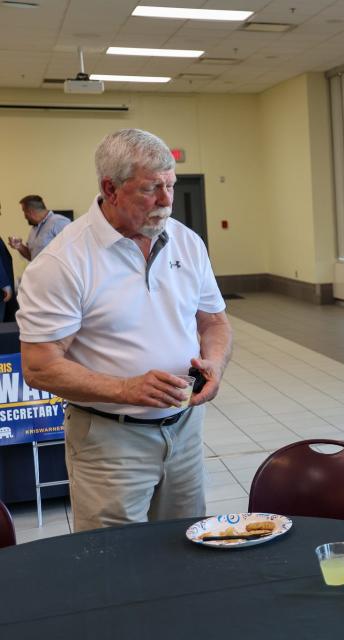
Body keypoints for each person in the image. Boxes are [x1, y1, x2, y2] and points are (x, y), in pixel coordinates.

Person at [17, 128, 232, 532]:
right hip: (110, 440)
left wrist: (215, 363)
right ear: (109, 188)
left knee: (185, 548)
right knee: (113, 565)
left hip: (184, 430)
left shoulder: (187, 243)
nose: (166, 201)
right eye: (151, 189)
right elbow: (39, 366)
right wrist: (125, 389)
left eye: (171, 185)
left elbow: (214, 320)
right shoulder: (63, 262)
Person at [9, 195, 71, 261]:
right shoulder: (34, 229)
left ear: (31, 212)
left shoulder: (59, 222)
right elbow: (31, 256)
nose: (24, 216)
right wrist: (19, 246)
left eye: (24, 212)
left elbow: (73, 251)